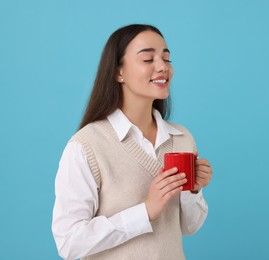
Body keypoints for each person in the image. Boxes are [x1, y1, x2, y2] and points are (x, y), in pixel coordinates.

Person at [52, 24, 213, 260]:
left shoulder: (182, 138)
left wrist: (194, 190)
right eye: (148, 59)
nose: (162, 67)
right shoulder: (87, 145)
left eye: (167, 59)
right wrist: (145, 212)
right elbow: (69, 242)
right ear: (119, 72)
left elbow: (190, 227)